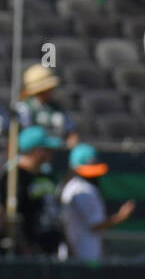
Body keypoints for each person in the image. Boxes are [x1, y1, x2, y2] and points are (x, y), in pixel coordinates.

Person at [58, 145, 134, 260]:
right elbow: (95, 224)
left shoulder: (67, 185)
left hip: (76, 254)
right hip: (84, 256)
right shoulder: (83, 189)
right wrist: (120, 217)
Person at [10, 126, 65, 256]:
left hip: (51, 250)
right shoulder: (14, 178)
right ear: (37, 151)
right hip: (28, 253)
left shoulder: (46, 175)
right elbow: (13, 216)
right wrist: (25, 247)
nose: (51, 152)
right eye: (47, 148)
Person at [14, 65, 77, 147]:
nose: (52, 90)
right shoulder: (24, 108)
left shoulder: (58, 108)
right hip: (36, 152)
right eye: (49, 88)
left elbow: (71, 133)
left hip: (58, 151)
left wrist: (71, 141)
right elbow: (25, 136)